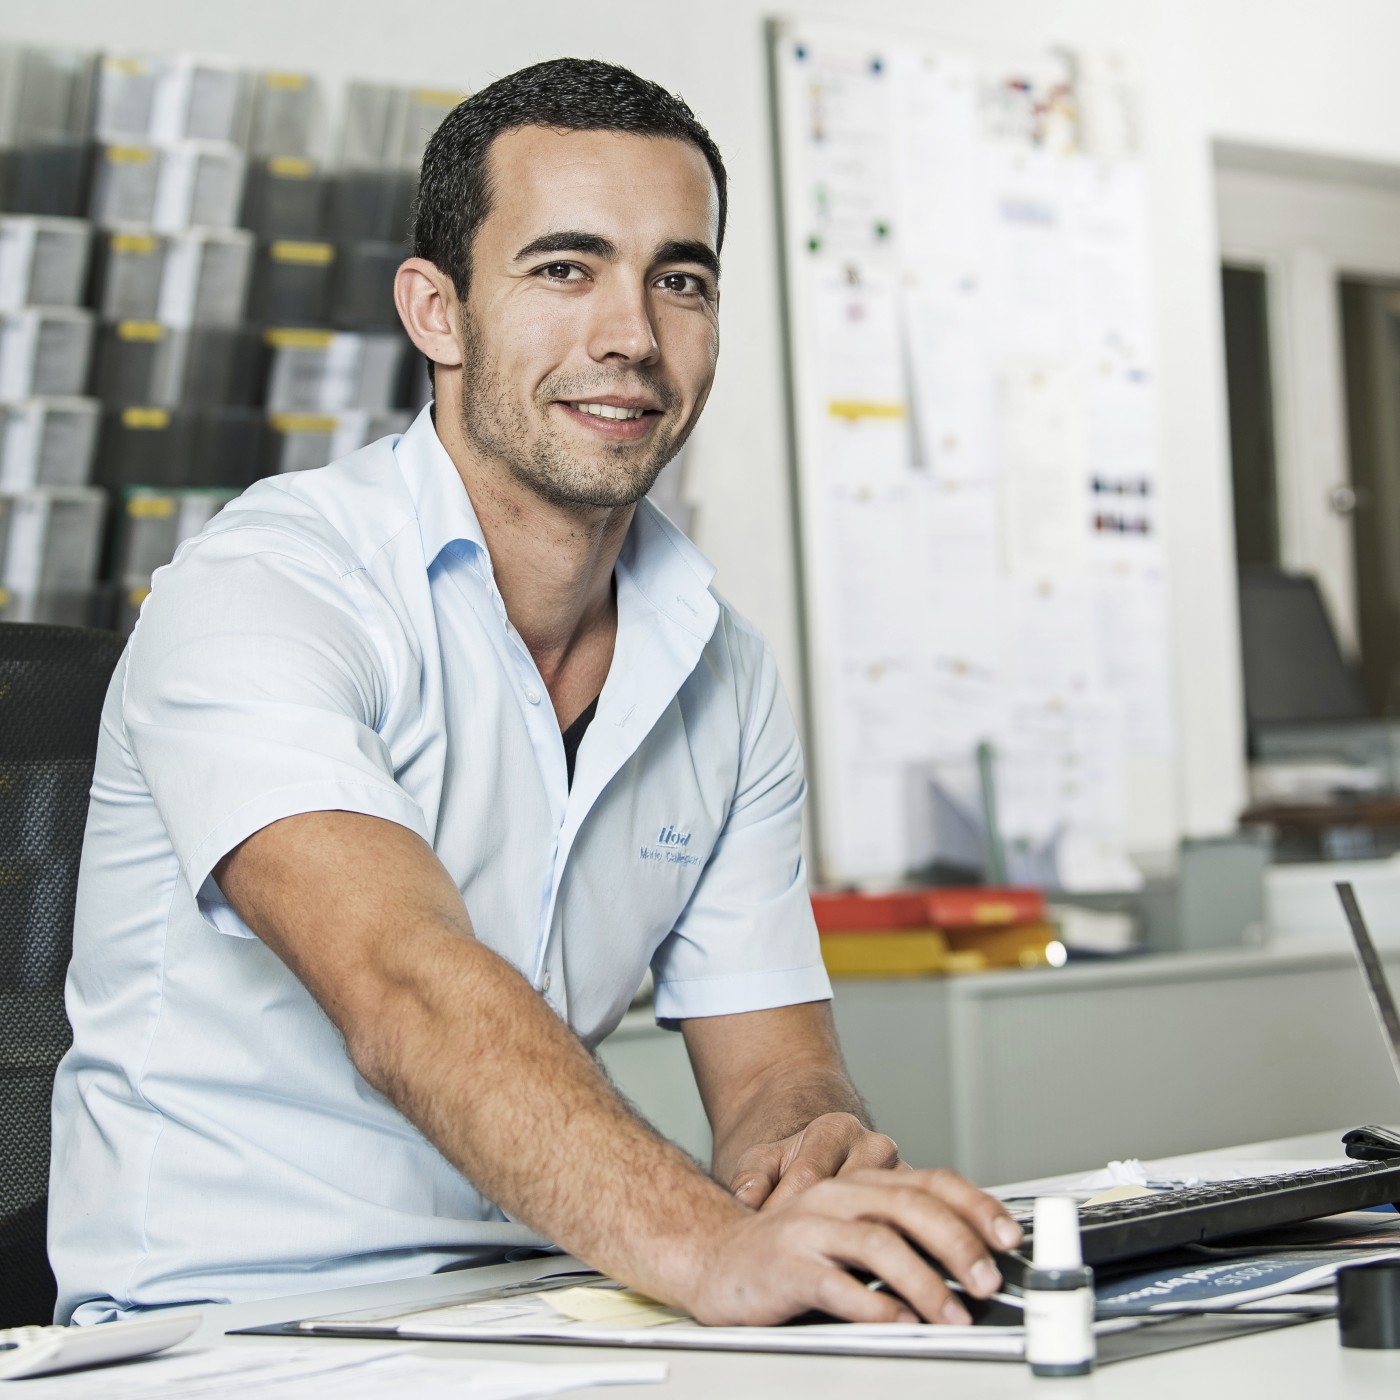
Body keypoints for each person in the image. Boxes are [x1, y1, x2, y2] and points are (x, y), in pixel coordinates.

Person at [49, 58, 1020, 1327]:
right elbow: (408, 991)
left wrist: (807, 1166)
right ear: (436, 313)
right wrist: (714, 1249)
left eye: (678, 278)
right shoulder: (262, 591)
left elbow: (776, 1062)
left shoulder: (719, 662)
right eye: (564, 269)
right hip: (227, 1330)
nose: (630, 334)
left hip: (545, 1304)